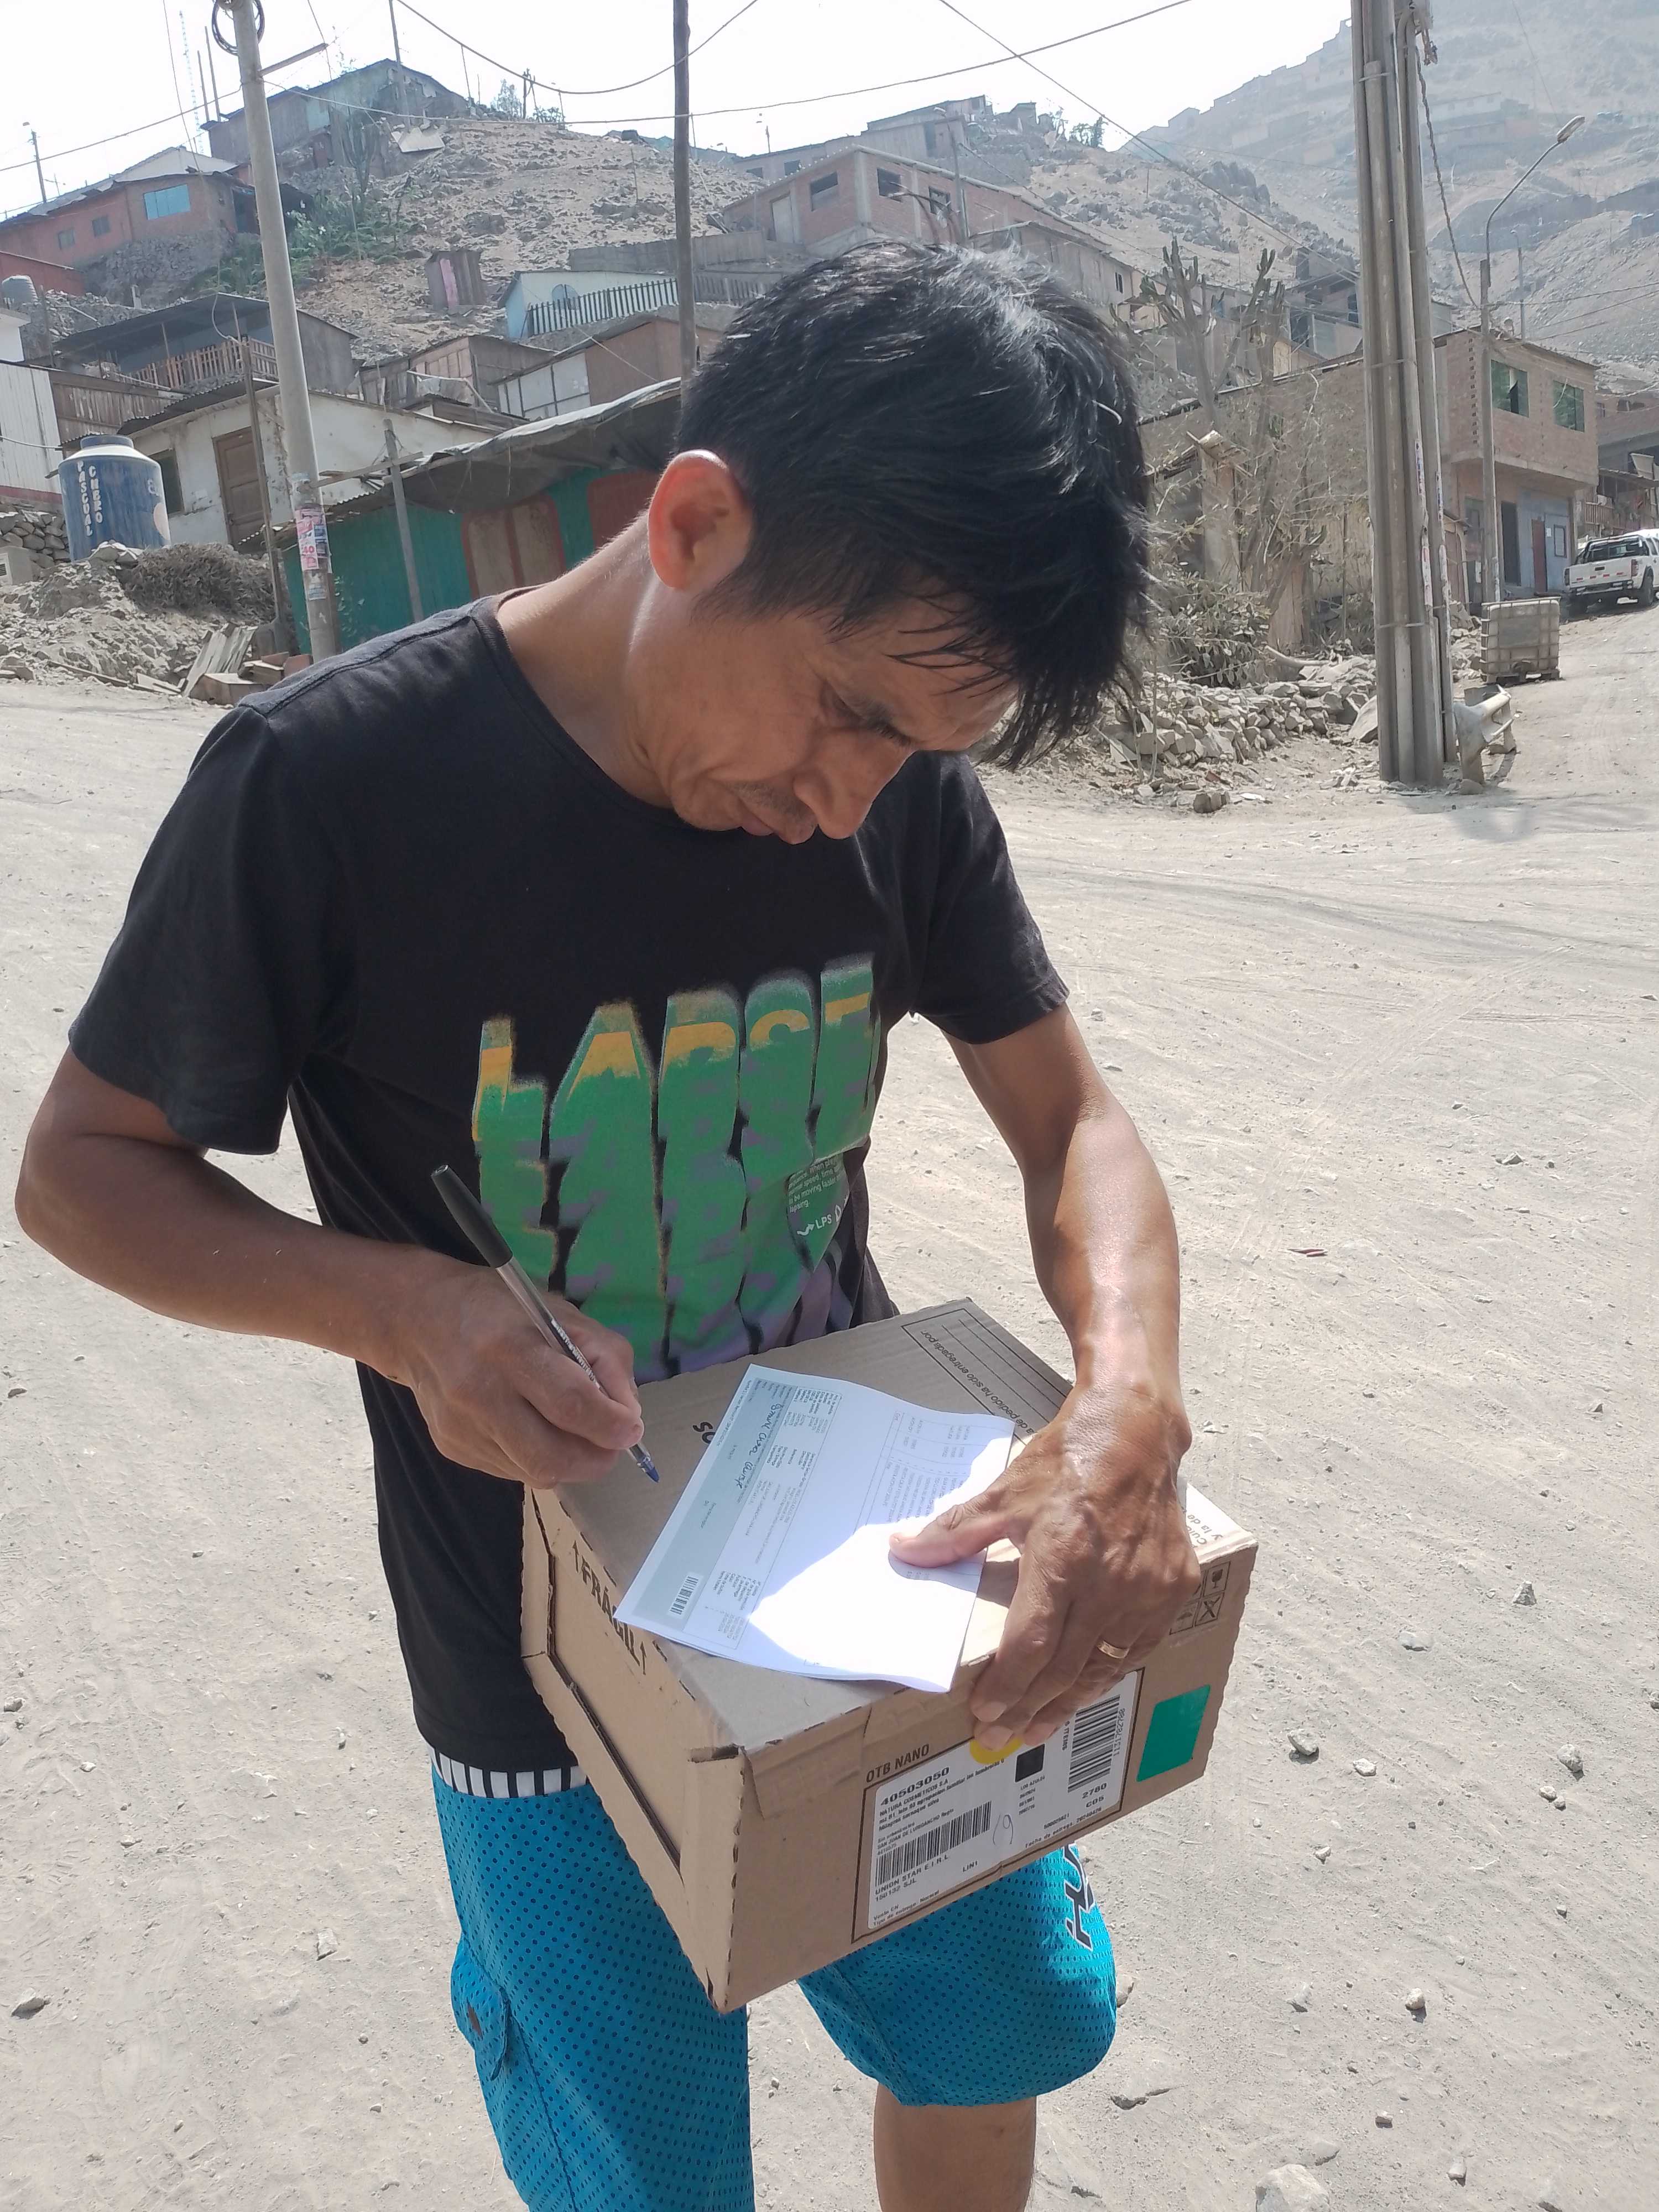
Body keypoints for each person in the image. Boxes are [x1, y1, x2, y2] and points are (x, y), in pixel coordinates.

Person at [15, 242, 1199, 2212]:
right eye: (843, 716)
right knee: (644, 2164)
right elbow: (79, 1172)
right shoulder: (329, 785)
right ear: (697, 523)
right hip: (538, 1664)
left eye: (914, 750)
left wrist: (1129, 1400)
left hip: (875, 1597)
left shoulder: (897, 797)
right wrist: (403, 1308)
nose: (851, 806)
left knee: (995, 2024)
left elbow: (1072, 1116)